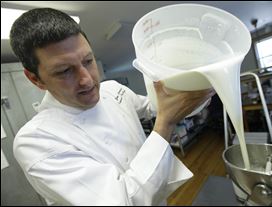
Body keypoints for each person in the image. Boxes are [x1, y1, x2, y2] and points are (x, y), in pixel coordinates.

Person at [10, 8, 215, 206]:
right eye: (65, 71)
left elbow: (156, 107)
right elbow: (123, 201)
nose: (87, 80)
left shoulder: (112, 90)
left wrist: (197, 89)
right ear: (35, 79)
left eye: (88, 61)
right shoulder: (35, 141)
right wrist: (165, 124)